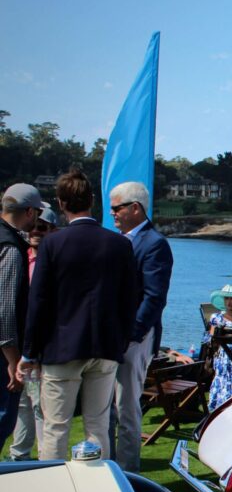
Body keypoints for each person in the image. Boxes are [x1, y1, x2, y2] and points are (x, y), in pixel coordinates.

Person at [18, 169, 136, 461]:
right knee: (98, 424)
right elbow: (131, 298)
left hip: (62, 347)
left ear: (60, 203)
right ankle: (99, 488)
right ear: (92, 200)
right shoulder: (120, 244)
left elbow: (39, 301)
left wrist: (29, 352)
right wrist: (120, 340)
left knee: (56, 427)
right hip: (106, 346)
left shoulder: (53, 244)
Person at [108, 181, 173, 472]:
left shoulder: (153, 243)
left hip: (135, 339)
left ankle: (129, 472)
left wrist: (132, 335)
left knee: (126, 407)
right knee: (105, 407)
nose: (112, 213)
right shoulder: (120, 241)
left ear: (136, 208)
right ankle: (107, 466)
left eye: (117, 208)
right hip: (112, 337)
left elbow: (154, 297)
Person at [8, 206, 59, 460]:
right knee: (20, 403)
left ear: (53, 230)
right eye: (33, 226)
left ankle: (44, 459)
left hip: (43, 347)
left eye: (43, 227)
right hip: (17, 343)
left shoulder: (56, 263)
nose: (35, 232)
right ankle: (19, 456)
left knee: (41, 405)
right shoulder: (17, 255)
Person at [0, 183, 44, 448]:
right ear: (28, 211)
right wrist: (12, 358)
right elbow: (5, 308)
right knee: (4, 416)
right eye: (37, 214)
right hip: (3, 352)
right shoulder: (12, 249)